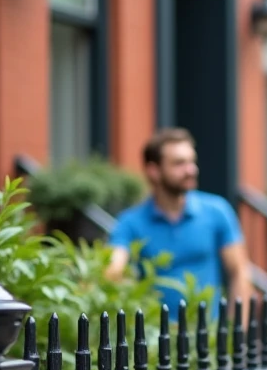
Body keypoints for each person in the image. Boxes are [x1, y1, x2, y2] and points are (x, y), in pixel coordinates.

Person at [106, 128, 251, 319]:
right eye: (179, 164)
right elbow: (112, 271)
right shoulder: (130, 223)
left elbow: (240, 272)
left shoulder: (217, 211)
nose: (191, 170)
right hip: (154, 340)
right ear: (154, 171)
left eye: (192, 162)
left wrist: (236, 330)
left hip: (209, 336)